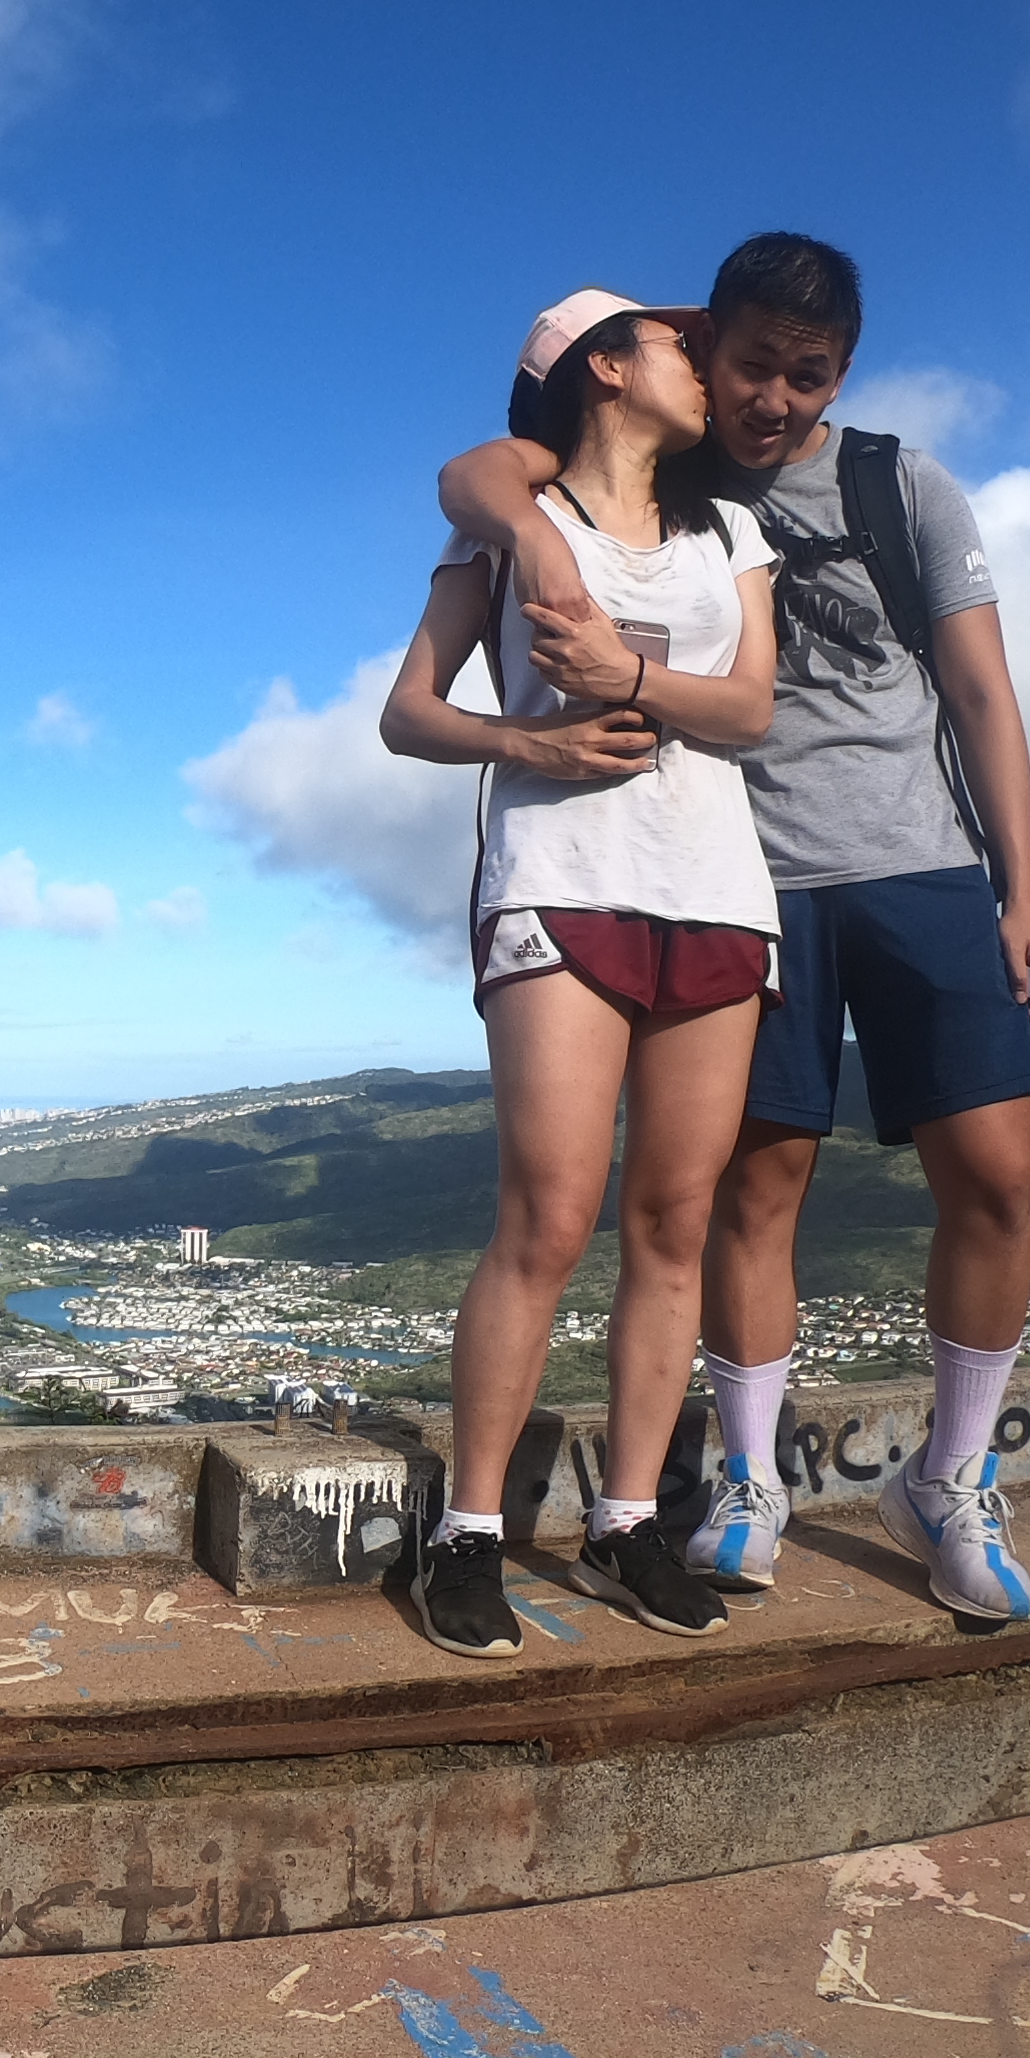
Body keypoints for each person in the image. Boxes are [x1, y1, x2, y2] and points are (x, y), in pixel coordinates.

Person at [441, 232, 1030, 1624]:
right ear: (700, 358)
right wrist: (540, 538)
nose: (773, 398)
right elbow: (480, 473)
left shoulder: (897, 486)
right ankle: (739, 1479)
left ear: (841, 370)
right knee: (749, 1195)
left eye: (808, 373)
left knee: (997, 1177)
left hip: (917, 864)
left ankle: (953, 1478)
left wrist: (1022, 894)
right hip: (748, 881)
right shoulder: (672, 475)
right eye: (747, 365)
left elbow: (981, 694)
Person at [379, 286, 780, 1656]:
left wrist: (632, 677)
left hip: (717, 888)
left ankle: (625, 1527)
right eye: (677, 345)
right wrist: (532, 748)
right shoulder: (506, 521)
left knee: (675, 1221)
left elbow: (754, 709)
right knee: (548, 1216)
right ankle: (470, 1536)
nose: (703, 365)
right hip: (557, 880)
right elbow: (410, 713)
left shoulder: (730, 529)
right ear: (606, 368)